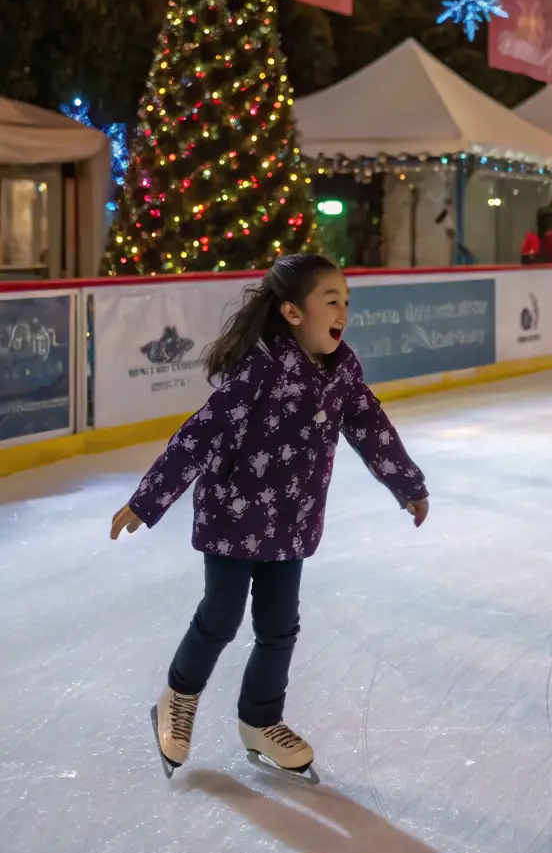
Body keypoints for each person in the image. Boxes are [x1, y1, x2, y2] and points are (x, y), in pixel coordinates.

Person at [110, 254, 429, 779]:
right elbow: (201, 432)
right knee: (221, 617)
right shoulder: (260, 368)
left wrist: (407, 484)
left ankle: (261, 720)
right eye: (331, 300)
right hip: (233, 516)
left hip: (292, 522)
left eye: (347, 301)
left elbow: (372, 427)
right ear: (292, 312)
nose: (343, 311)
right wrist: (148, 500)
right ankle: (178, 698)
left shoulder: (342, 371)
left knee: (280, 627)